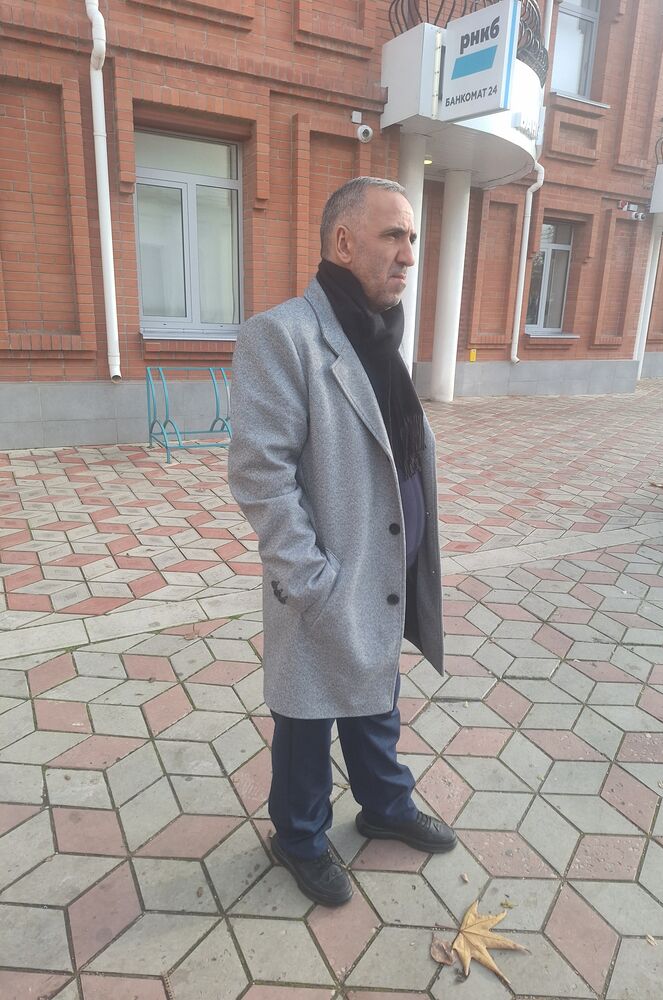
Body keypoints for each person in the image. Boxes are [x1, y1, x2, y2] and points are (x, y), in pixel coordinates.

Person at [228, 176, 455, 907]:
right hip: (325, 574)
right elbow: (260, 475)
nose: (409, 254)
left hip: (382, 563)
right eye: (394, 236)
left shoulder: (382, 333)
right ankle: (298, 837)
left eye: (412, 238)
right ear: (344, 242)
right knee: (307, 714)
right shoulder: (282, 335)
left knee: (375, 693)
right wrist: (313, 582)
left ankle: (384, 804)